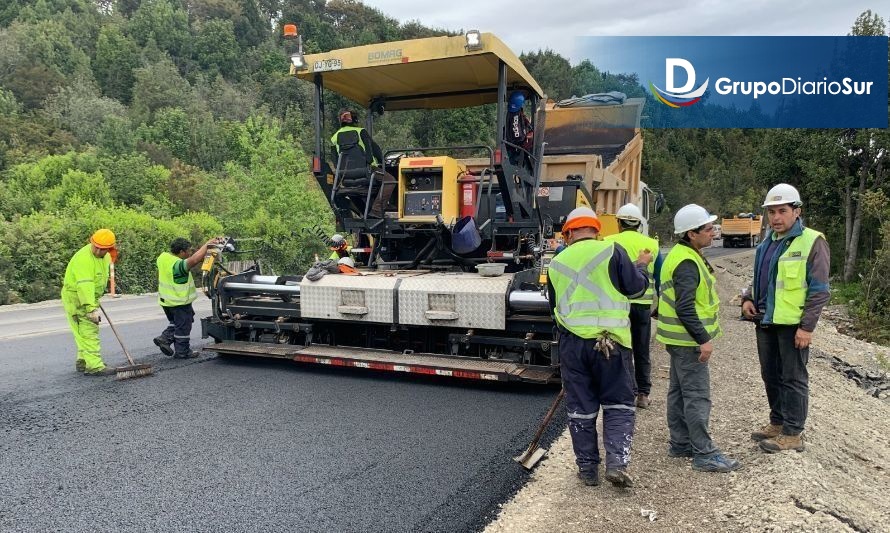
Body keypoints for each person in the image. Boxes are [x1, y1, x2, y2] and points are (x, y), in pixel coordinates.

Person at [547, 206, 652, 488]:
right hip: (611, 343)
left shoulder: (555, 264)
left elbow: (553, 307)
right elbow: (636, 289)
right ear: (597, 230)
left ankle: (587, 470)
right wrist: (641, 267)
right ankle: (617, 463)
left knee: (581, 407)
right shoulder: (612, 251)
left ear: (567, 234)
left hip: (572, 346)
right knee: (618, 404)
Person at [742, 183, 830, 453]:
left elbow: (819, 290)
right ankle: (778, 422)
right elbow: (763, 280)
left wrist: (807, 327)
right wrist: (747, 297)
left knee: (793, 378)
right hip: (766, 320)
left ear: (796, 211)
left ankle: (793, 433)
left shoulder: (813, 241)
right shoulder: (766, 242)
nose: (776, 217)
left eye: (782, 211)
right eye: (772, 212)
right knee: (770, 375)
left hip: (792, 326)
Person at [657, 204, 740, 473]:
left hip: (678, 340)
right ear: (691, 234)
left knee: (679, 392)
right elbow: (685, 306)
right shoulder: (687, 262)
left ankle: (681, 443)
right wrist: (703, 339)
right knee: (697, 395)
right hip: (688, 341)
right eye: (707, 229)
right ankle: (704, 453)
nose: (712, 233)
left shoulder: (682, 255)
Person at [604, 203, 662, 408]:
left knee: (621, 349)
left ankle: (624, 392)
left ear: (618, 222)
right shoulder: (652, 245)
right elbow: (660, 277)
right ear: (638, 224)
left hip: (618, 307)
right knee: (641, 349)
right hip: (642, 307)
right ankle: (643, 394)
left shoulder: (608, 242)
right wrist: (660, 304)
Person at [61, 229, 118, 376]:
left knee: (82, 332)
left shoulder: (105, 257)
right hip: (77, 298)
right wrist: (91, 308)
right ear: (91, 242)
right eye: (95, 246)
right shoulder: (83, 259)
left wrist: (95, 298)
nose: (98, 250)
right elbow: (85, 285)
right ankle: (94, 366)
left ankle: (84, 360)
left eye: (103, 249)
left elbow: (97, 279)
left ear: (108, 249)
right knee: (89, 329)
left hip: (88, 297)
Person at [153, 237, 220, 359]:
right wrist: (207, 245)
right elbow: (193, 260)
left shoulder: (163, 257)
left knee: (177, 322)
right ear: (182, 252)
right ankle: (182, 352)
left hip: (166, 302)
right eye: (188, 251)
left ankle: (165, 338)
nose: (189, 253)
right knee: (183, 326)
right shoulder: (177, 265)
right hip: (178, 302)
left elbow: (192, 259)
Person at [330, 109, 396, 218]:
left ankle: (365, 212)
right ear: (355, 119)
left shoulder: (335, 137)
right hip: (367, 172)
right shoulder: (361, 132)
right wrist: (382, 162)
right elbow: (375, 151)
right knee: (390, 180)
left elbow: (336, 160)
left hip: (345, 176)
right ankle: (376, 211)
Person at [504, 90, 534, 168]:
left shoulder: (511, 114)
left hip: (512, 148)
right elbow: (518, 137)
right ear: (520, 104)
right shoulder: (515, 116)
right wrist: (527, 137)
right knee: (525, 167)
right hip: (516, 150)